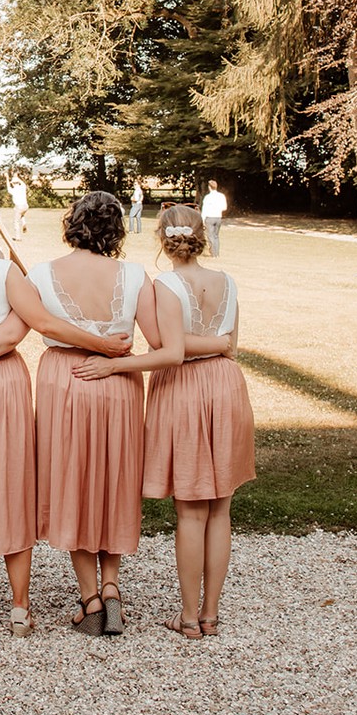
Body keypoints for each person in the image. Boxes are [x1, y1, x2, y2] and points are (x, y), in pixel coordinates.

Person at [0, 198, 132, 638]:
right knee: (13, 486)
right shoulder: (8, 272)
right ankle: (20, 609)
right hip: (6, 385)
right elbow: (16, 331)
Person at [29, 191, 190, 637]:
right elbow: (161, 346)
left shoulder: (42, 273)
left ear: (73, 223)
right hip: (118, 385)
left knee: (74, 482)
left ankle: (90, 598)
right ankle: (113, 585)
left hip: (65, 379)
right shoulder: (136, 276)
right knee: (112, 480)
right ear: (117, 230)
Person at [142, 206, 254, 640]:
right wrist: (217, 342)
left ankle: (189, 617)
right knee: (220, 505)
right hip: (226, 387)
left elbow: (166, 347)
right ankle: (210, 613)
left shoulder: (164, 285)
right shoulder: (227, 282)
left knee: (191, 509)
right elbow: (231, 347)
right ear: (200, 237)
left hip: (185, 389)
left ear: (163, 239)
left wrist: (194, 346)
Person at [200, 180, 228, 257]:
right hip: (218, 217)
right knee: (216, 236)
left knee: (210, 235)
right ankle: (217, 253)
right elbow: (224, 208)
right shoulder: (221, 196)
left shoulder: (208, 197)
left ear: (209, 187)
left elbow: (204, 209)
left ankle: (213, 253)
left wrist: (202, 219)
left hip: (210, 217)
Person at [8, 173, 29, 240]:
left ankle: (18, 237)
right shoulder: (23, 187)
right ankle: (24, 223)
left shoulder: (13, 190)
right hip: (25, 206)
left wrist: (6, 179)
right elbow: (22, 183)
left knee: (16, 221)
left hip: (19, 206)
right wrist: (17, 177)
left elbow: (8, 188)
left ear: (13, 183)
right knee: (22, 215)